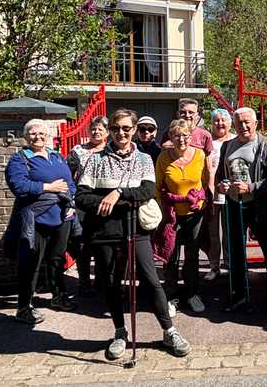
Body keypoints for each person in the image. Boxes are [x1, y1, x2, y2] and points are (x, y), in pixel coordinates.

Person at [76, 109, 190, 360]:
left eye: (126, 128)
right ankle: (120, 332)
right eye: (116, 128)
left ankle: (169, 331)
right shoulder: (95, 160)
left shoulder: (144, 159)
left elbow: (147, 190)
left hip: (136, 229)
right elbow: (82, 197)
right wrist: (113, 200)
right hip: (105, 231)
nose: (121, 133)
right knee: (111, 283)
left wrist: (117, 193)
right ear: (110, 130)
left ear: (134, 130)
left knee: (151, 279)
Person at [5, 119, 78, 324]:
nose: (38, 137)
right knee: (31, 262)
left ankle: (58, 296)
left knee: (57, 259)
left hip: (61, 216)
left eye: (42, 133)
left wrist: (71, 202)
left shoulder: (57, 157)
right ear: (26, 137)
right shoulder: (20, 159)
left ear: (48, 136)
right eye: (33, 133)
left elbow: (70, 183)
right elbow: (19, 186)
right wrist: (48, 187)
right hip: (36, 218)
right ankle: (24, 307)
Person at [215, 107, 267, 312]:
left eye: (247, 122)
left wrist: (251, 187)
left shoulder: (265, 145)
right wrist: (221, 186)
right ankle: (238, 294)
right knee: (236, 251)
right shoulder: (227, 145)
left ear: (255, 123)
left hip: (258, 205)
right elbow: (220, 175)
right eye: (239, 122)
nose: (243, 126)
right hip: (234, 204)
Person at [156, 119, 209, 314]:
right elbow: (157, 187)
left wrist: (201, 200)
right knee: (171, 257)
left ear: (191, 136)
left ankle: (192, 293)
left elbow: (205, 181)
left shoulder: (200, 155)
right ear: (170, 137)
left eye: (185, 135)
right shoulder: (163, 157)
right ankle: (172, 296)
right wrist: (161, 212)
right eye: (176, 135)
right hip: (172, 214)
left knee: (192, 256)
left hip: (194, 213)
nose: (181, 139)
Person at [66, 115, 108, 297]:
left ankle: (100, 281)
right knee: (82, 244)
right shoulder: (78, 151)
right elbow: (68, 176)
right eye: (93, 129)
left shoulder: (111, 150)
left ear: (107, 132)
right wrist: (70, 199)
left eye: (100, 129)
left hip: (103, 203)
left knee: (101, 244)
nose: (96, 132)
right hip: (82, 204)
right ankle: (84, 282)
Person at [202, 108, 235, 281]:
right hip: (211, 193)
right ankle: (214, 266)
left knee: (229, 231)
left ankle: (230, 265)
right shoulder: (207, 141)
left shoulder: (235, 140)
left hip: (230, 193)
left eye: (223, 120)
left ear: (230, 123)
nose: (220, 123)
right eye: (216, 120)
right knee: (212, 232)